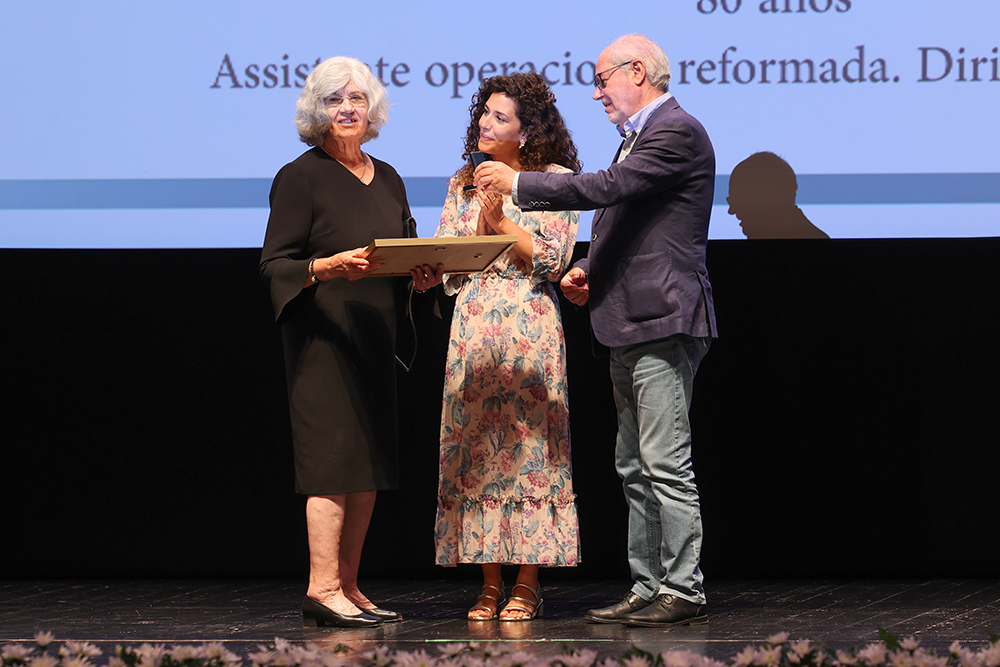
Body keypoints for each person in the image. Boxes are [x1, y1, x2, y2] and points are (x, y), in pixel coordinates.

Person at [474, 34, 717, 628]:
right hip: (627, 318)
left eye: (604, 78)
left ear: (638, 71)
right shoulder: (637, 139)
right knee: (633, 465)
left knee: (664, 461)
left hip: (663, 316)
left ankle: (682, 587)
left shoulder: (675, 130)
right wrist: (586, 267)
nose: (597, 90)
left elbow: (605, 190)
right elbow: (624, 221)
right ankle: (647, 584)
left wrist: (519, 187)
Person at [260, 56, 442, 629]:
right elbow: (274, 266)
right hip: (324, 339)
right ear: (317, 112)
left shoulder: (387, 176)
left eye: (357, 100)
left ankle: (349, 585)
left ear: (373, 111)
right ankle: (321, 587)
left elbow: (406, 248)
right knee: (331, 465)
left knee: (368, 466)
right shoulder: (301, 175)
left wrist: (424, 274)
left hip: (375, 338)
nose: (347, 110)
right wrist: (326, 266)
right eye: (335, 101)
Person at [433, 72, 582, 622]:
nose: (484, 123)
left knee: (530, 452)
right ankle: (489, 580)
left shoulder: (556, 180)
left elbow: (553, 259)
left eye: (499, 117)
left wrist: (499, 221)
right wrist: (430, 267)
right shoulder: (462, 180)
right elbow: (451, 255)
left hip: (528, 323)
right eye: (483, 113)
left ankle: (528, 581)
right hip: (473, 323)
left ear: (526, 131)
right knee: (476, 453)